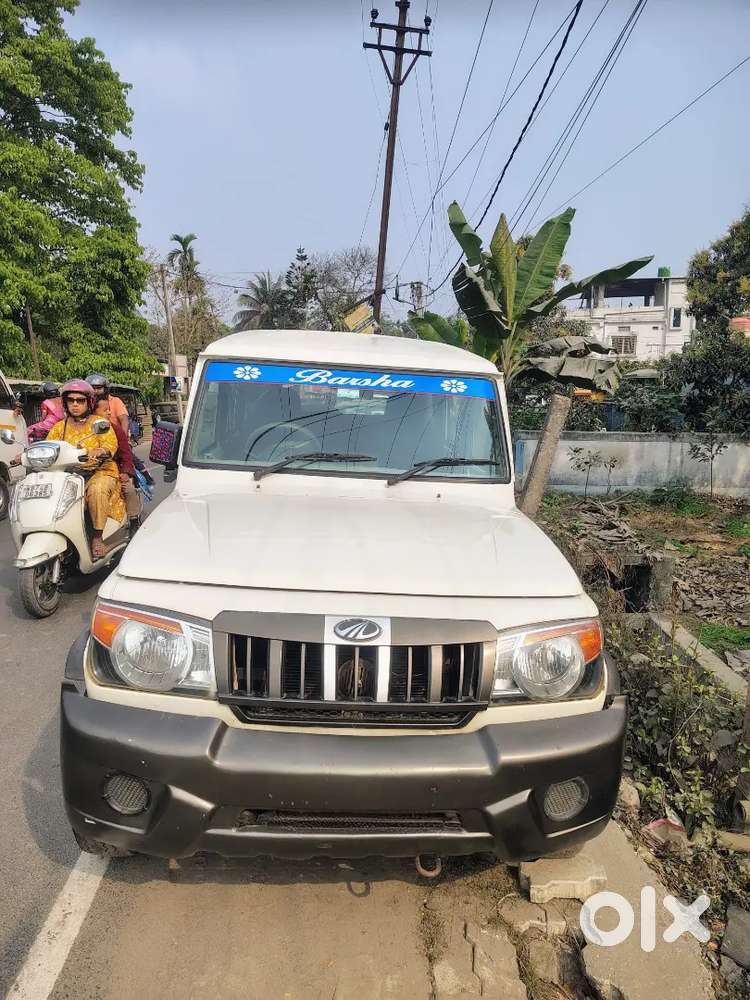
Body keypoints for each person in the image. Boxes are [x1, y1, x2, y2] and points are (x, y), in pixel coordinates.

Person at [47, 381, 126, 558]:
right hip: (68, 474)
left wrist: (101, 450)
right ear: (65, 403)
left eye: (80, 400)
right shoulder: (59, 427)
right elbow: (49, 445)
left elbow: (109, 444)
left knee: (97, 491)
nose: (75, 404)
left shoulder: (99, 423)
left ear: (88, 402)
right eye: (71, 400)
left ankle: (97, 537)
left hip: (99, 471)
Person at [94, 397, 141, 533]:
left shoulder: (115, 430)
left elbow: (126, 453)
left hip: (115, 469)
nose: (109, 413)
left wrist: (125, 472)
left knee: (129, 490)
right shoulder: (82, 430)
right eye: (105, 410)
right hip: (90, 472)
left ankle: (134, 520)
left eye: (109, 409)